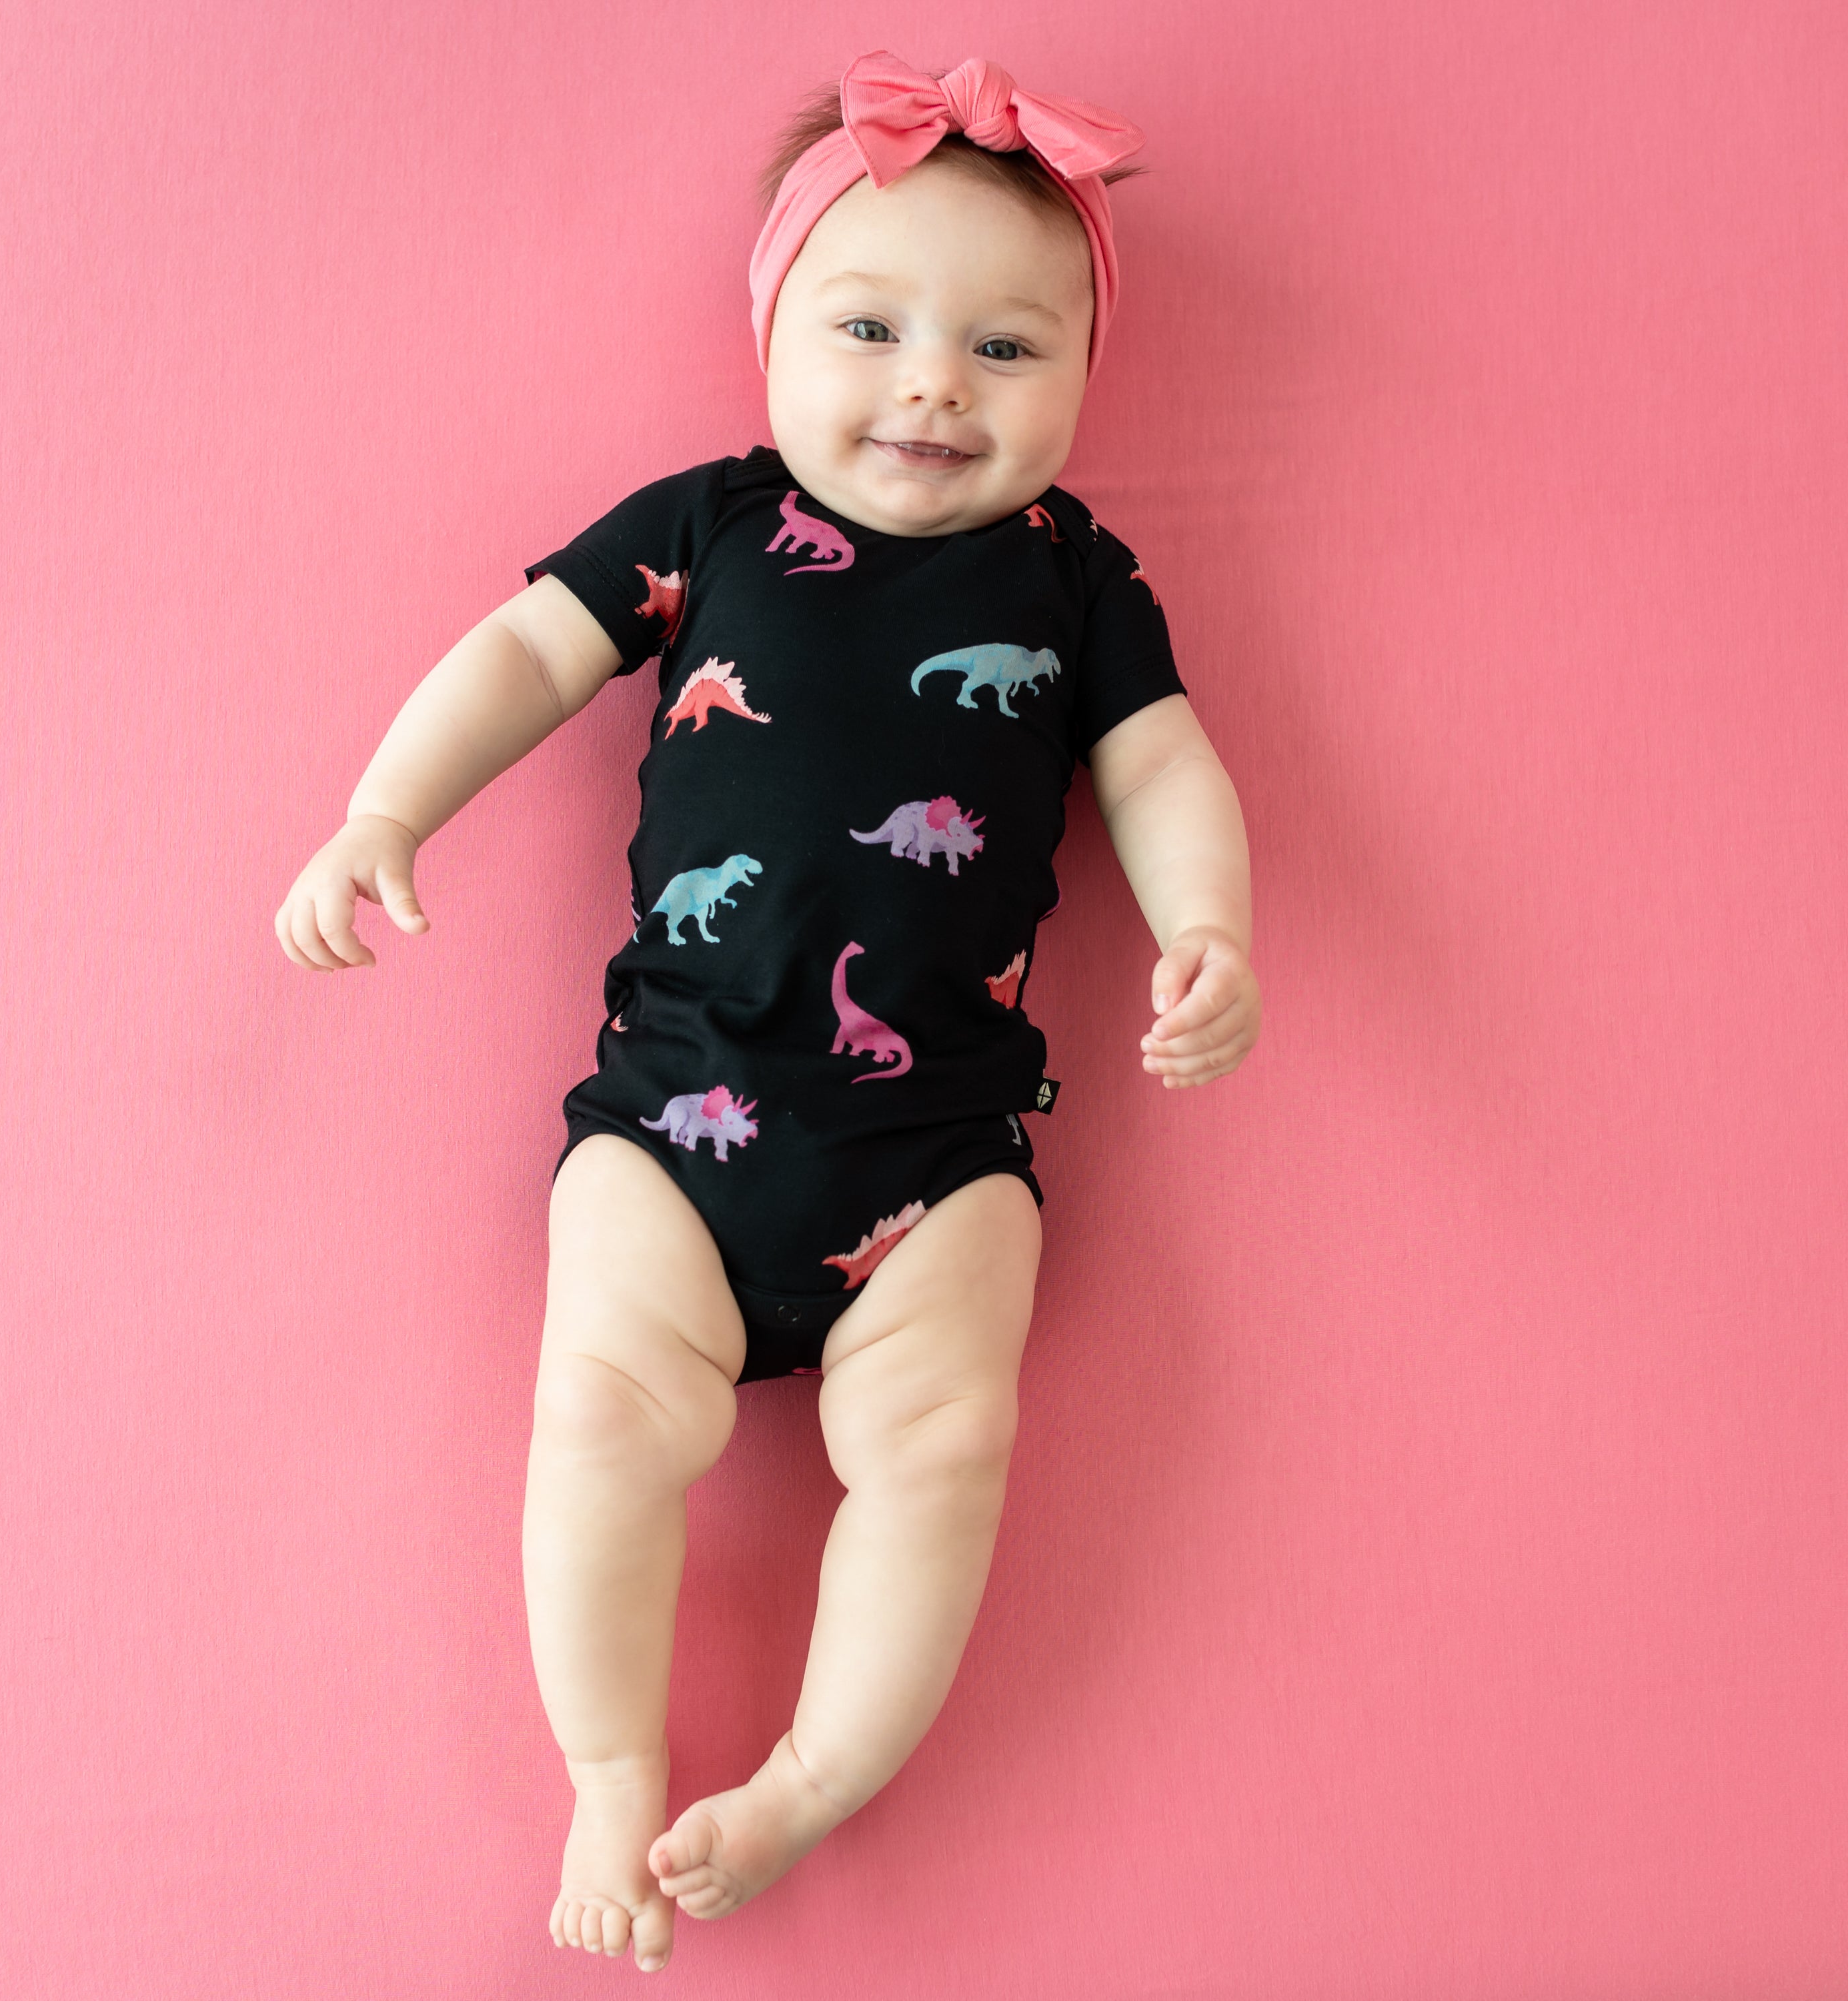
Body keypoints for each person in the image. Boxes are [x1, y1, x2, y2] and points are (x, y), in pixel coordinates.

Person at [275, 49, 1260, 1976]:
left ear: (1078, 375)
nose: (930, 387)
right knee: (598, 1416)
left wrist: (1208, 923)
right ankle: (611, 1766)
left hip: (942, 1156)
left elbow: (1162, 768)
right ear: (772, 333)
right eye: (873, 327)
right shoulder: (706, 527)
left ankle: (814, 1777)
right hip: (673, 1126)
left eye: (1006, 349)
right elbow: (518, 652)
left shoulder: (1076, 585)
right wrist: (386, 808)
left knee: (947, 1448)